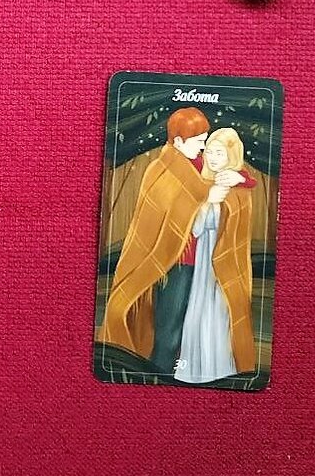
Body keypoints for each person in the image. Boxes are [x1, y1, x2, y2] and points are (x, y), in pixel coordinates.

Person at [99, 107, 251, 373]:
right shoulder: (160, 170)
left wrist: (241, 178)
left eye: (205, 140)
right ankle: (160, 377)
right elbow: (165, 218)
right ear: (179, 141)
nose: (203, 147)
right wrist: (206, 199)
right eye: (199, 141)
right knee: (169, 331)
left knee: (192, 329)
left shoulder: (199, 164)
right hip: (173, 263)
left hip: (203, 264)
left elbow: (233, 173)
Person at [176, 128, 257, 383]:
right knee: (198, 315)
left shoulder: (239, 188)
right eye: (209, 151)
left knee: (219, 319)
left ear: (231, 154)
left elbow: (234, 226)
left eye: (219, 153)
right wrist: (208, 202)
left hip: (226, 266)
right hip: (204, 266)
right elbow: (196, 228)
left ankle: (219, 371)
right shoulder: (206, 185)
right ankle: (192, 372)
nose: (211, 157)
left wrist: (231, 187)